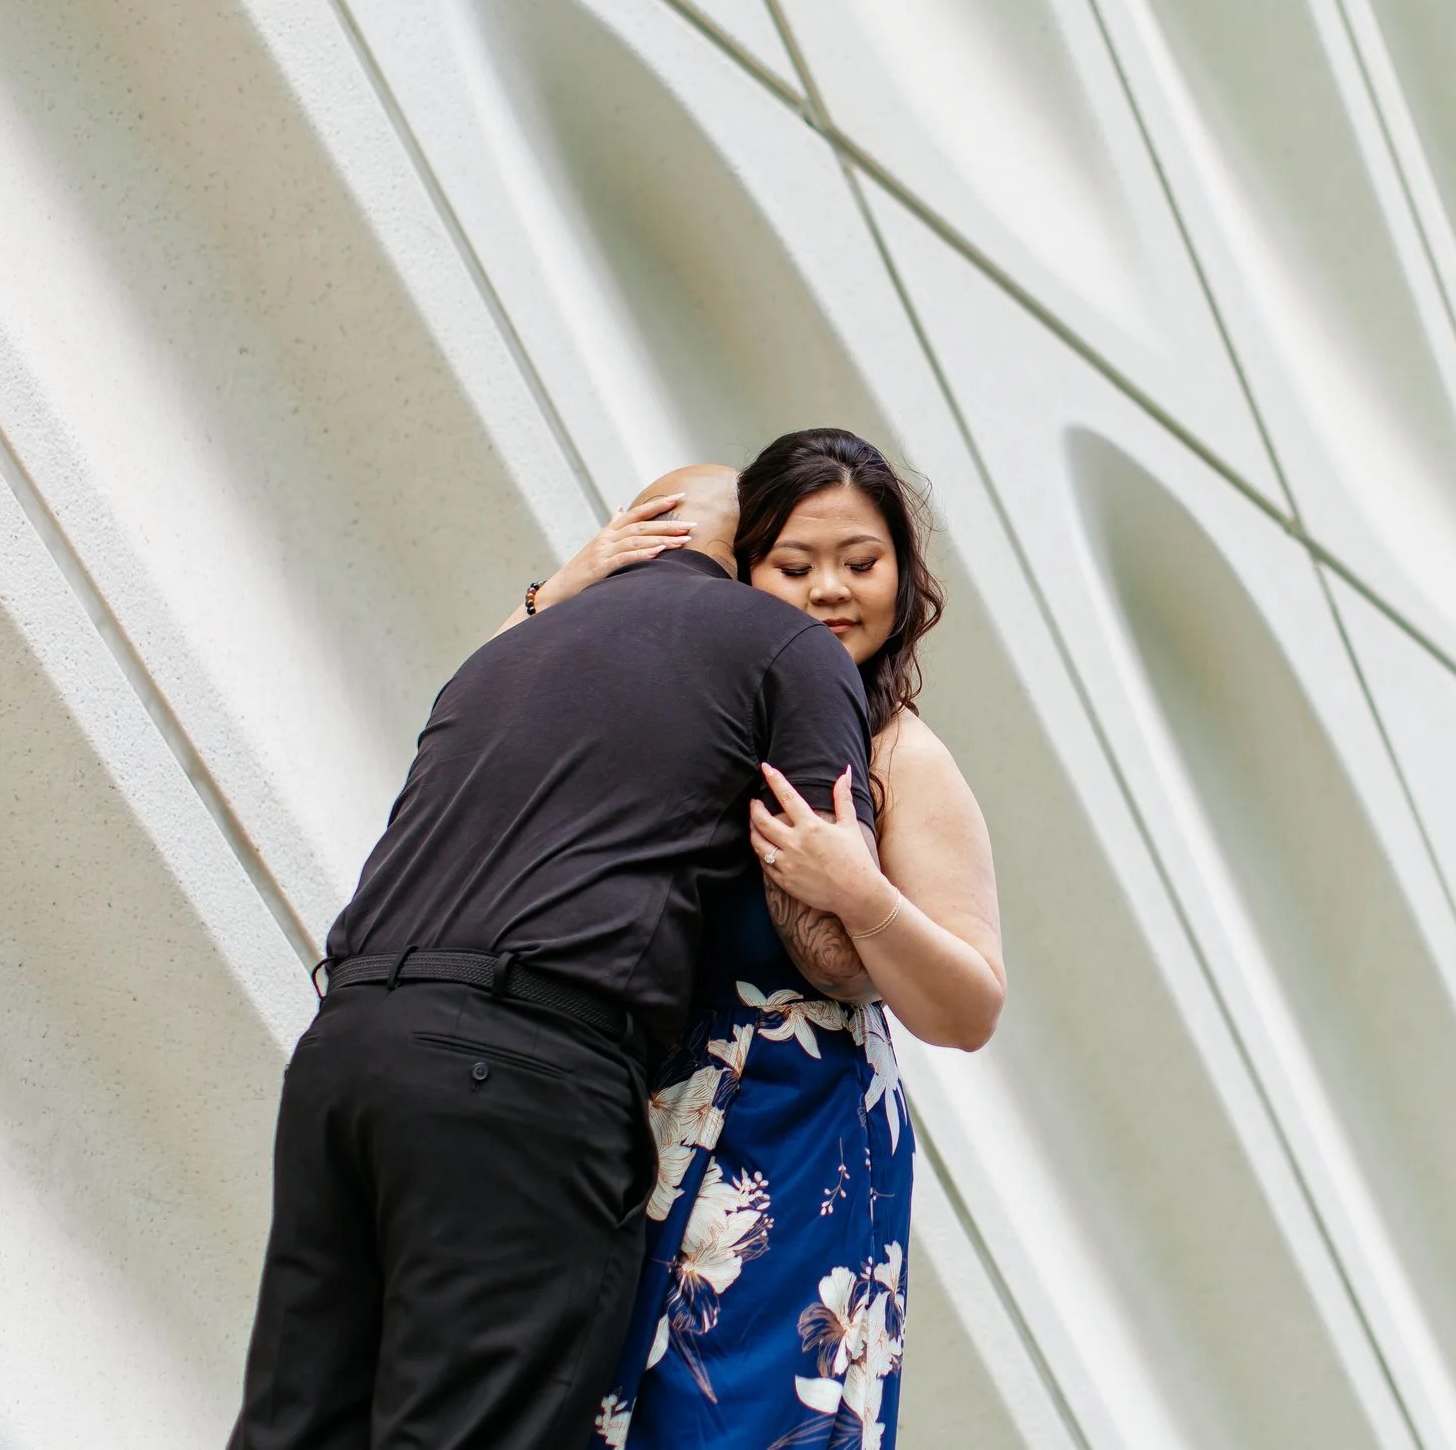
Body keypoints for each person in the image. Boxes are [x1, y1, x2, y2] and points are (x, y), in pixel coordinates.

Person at [230, 465, 882, 1450]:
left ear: (633, 531)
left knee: (292, 1427)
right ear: (753, 553)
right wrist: (877, 920)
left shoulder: (509, 648)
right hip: (521, 1075)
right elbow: (829, 943)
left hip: (345, 1051)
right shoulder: (783, 645)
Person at [520, 429, 1005, 1450]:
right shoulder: (692, 715)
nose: (831, 590)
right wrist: (559, 594)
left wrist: (860, 894)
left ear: (905, 577)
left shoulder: (900, 753)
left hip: (796, 1146)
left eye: (861, 562)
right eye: (795, 565)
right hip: (629, 1120)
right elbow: (488, 734)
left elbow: (970, 1006)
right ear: (742, 574)